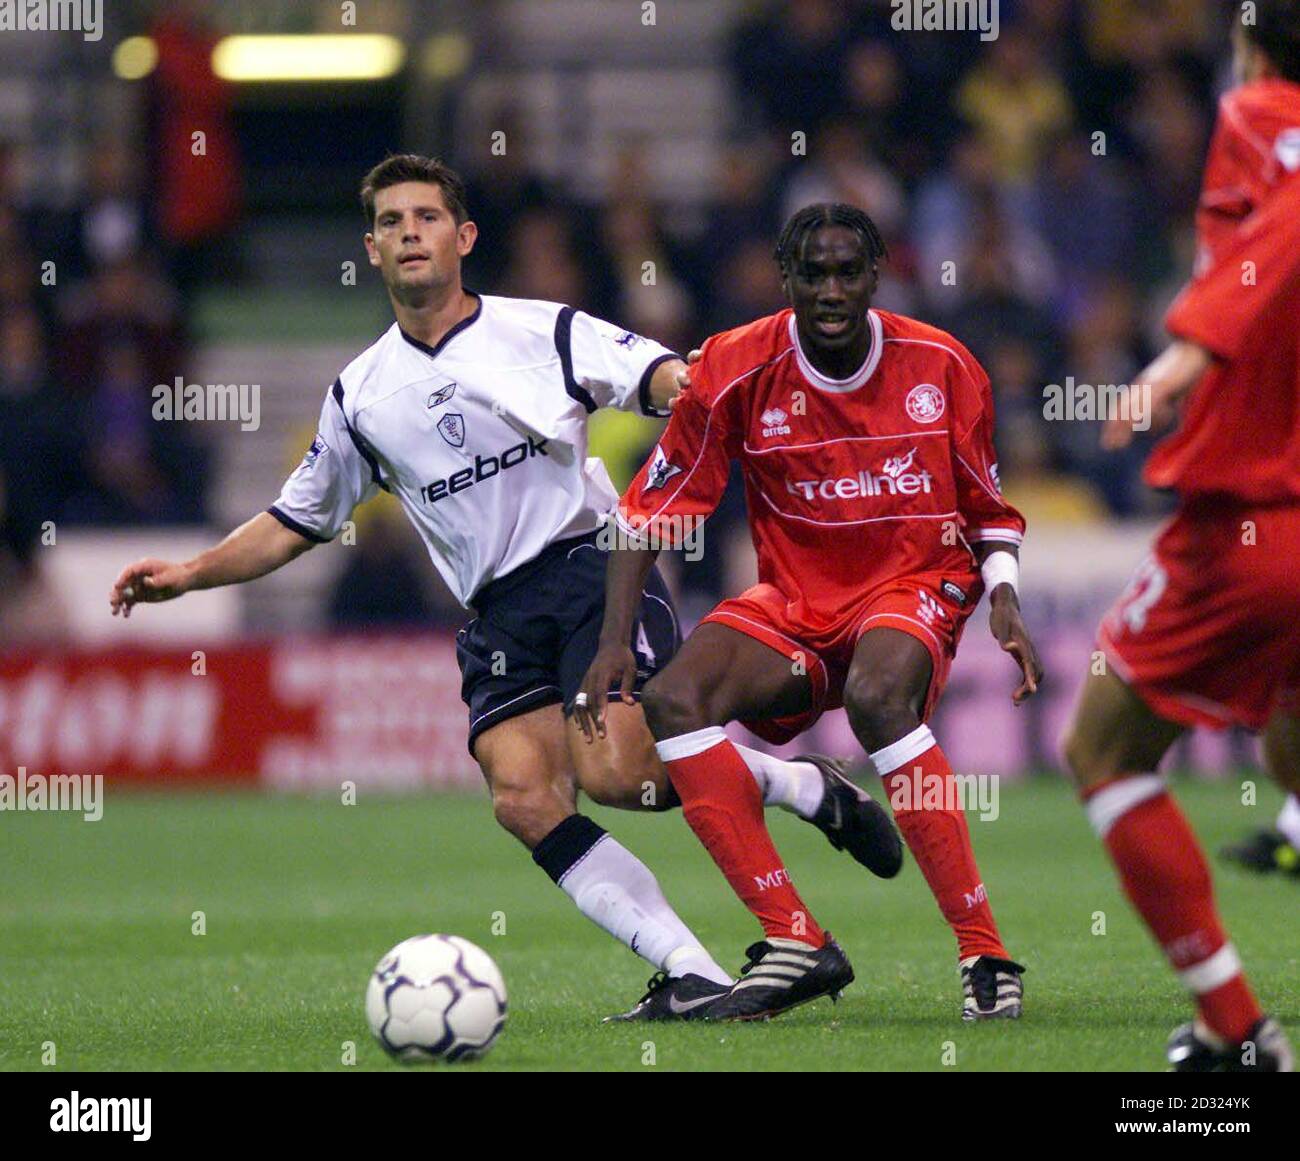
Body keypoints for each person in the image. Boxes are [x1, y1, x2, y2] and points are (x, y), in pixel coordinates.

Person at [108, 155, 899, 1021]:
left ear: (463, 236)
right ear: (371, 249)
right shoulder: (361, 397)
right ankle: (692, 968)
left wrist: (694, 386)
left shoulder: (541, 330)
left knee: (618, 773)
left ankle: (802, 787)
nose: (411, 231)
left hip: (591, 568)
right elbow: (293, 521)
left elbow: (659, 375)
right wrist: (187, 574)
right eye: (392, 222)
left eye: (428, 217)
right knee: (523, 794)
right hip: (496, 610)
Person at [577, 203, 1041, 1020]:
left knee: (875, 698)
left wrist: (1002, 594)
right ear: (785, 278)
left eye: (848, 271)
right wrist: (615, 639)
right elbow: (650, 510)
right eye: (813, 273)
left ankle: (983, 950)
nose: (832, 289)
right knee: (671, 699)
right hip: (795, 600)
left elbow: (987, 506)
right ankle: (794, 936)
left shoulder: (942, 364)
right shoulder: (731, 367)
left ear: (875, 275)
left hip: (914, 581)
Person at [1062, 2, 1300, 1072]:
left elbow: (1279, 227)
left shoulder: (1258, 109)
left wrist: (1183, 352)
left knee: (1103, 751)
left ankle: (1237, 1026)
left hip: (1258, 520)